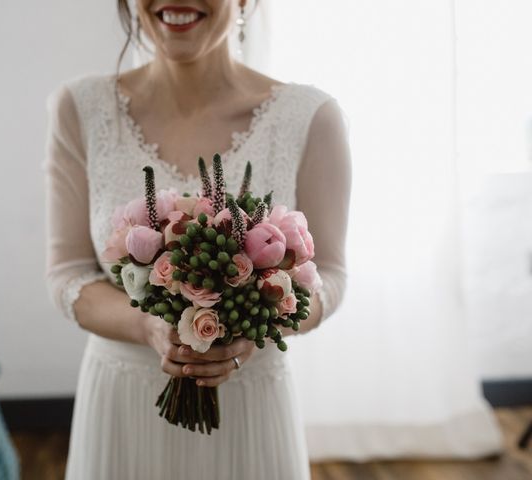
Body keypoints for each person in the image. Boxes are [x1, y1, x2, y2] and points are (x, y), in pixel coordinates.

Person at [43, 1, 351, 478]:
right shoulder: (80, 109)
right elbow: (67, 276)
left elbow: (329, 276)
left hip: (250, 405)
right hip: (123, 407)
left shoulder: (311, 117)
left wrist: (253, 327)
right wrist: (149, 327)